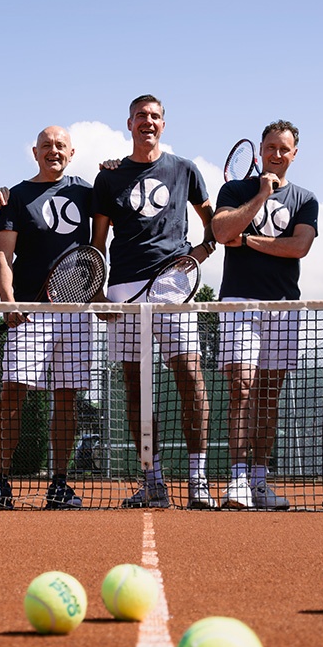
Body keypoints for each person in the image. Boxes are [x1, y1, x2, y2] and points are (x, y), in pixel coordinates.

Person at [91, 94, 216, 509]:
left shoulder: (185, 169)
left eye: (156, 116)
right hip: (124, 289)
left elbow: (214, 223)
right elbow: (98, 243)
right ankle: (153, 480)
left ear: (165, 124)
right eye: (141, 116)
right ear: (129, 124)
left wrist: (198, 254)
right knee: (134, 385)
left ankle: (198, 482)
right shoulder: (108, 177)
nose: (149, 121)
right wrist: (98, 292)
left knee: (190, 377)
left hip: (172, 287)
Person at [0, 126, 94, 510]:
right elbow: (4, 255)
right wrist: (9, 302)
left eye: (60, 146)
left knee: (66, 399)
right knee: (12, 393)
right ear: (35, 151)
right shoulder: (17, 196)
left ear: (71, 152)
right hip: (30, 312)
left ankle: (59, 485)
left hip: (75, 312)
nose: (53, 151)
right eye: (47, 146)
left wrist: (113, 167)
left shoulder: (88, 193)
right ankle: (0, 484)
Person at [210, 120, 318, 509]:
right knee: (240, 389)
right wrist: (259, 195)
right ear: (260, 150)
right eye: (270, 147)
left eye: (284, 149)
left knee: (269, 396)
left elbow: (299, 247)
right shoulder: (236, 189)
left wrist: (250, 240)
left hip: (283, 306)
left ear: (294, 154)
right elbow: (222, 232)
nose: (277, 154)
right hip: (238, 301)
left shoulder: (306, 199)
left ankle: (259, 480)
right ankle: (237, 481)